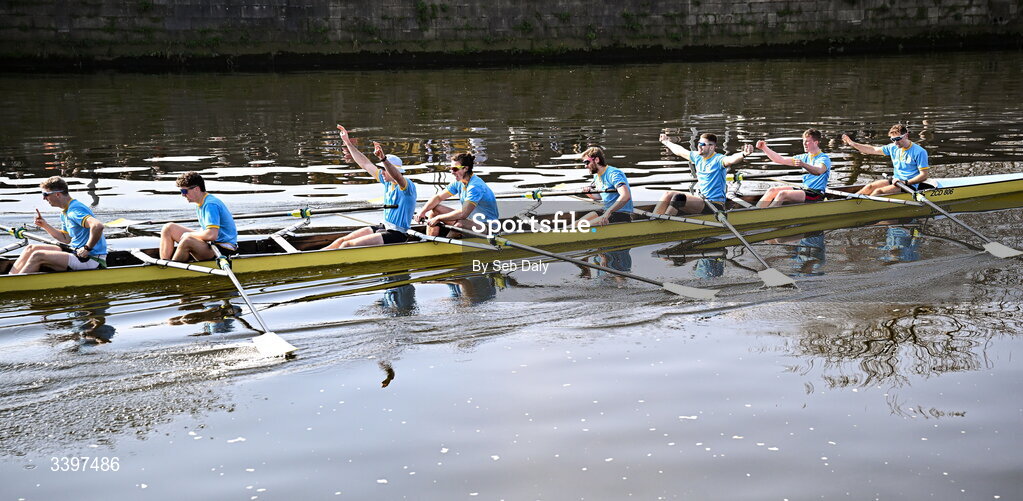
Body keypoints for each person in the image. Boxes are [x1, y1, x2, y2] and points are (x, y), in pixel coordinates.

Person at [325, 125, 417, 249]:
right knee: (341, 240)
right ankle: (312, 258)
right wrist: (347, 143)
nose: (382, 172)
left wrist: (383, 159)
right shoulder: (387, 182)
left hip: (397, 234)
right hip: (384, 226)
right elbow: (365, 163)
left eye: (384, 170)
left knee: (347, 245)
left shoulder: (406, 186)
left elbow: (397, 176)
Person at [9, 176, 108, 274]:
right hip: (75, 252)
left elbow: (98, 226)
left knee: (38, 255)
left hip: (91, 259)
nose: (44, 198)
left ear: (57, 194)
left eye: (45, 194)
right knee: (30, 249)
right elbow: (66, 239)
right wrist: (45, 225)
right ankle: (10, 278)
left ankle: (13, 285)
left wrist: (87, 248)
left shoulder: (74, 210)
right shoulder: (65, 212)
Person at [654, 133, 754, 215]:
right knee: (668, 194)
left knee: (679, 198)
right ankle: (654, 219)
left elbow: (731, 159)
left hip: (715, 205)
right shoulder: (697, 156)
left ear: (711, 147)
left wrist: (743, 154)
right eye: (699, 143)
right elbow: (679, 151)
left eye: (703, 144)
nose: (699, 146)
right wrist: (666, 141)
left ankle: (664, 225)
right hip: (701, 199)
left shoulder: (718, 160)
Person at [159, 171, 238, 262]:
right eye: (181, 191)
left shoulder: (210, 204)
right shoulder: (200, 202)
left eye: (184, 191)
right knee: (168, 228)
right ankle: (164, 263)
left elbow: (211, 235)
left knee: (187, 240)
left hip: (222, 250)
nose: (183, 195)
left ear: (196, 189)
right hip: (211, 244)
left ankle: (171, 272)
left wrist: (189, 235)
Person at [415, 152, 499, 237]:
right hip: (470, 221)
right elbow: (438, 198)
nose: (452, 172)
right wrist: (422, 212)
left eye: (455, 169)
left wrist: (439, 218)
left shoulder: (475, 187)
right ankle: (430, 242)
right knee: (435, 209)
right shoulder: (459, 182)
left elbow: (463, 213)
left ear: (466, 168)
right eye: (450, 169)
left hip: (487, 227)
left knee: (460, 225)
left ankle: (446, 247)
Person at [842, 124, 930, 196]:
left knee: (878, 192)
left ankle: (861, 209)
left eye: (898, 139)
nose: (895, 143)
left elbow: (924, 175)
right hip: (896, 180)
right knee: (869, 187)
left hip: (910, 185)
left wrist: (905, 182)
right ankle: (849, 202)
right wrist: (853, 144)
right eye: (893, 139)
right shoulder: (892, 147)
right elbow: (872, 150)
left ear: (906, 135)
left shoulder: (919, 152)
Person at [755, 129, 832, 207]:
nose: (804, 144)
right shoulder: (804, 157)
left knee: (783, 194)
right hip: (805, 190)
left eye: (807, 141)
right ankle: (755, 211)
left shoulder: (824, 158)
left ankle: (766, 215)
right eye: (803, 141)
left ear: (816, 143)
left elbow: (819, 171)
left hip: (816, 194)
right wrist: (764, 148)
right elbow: (780, 160)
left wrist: (804, 164)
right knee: (772, 191)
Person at [577, 146, 633, 226]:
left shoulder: (613, 174)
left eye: (587, 162)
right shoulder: (597, 176)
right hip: (607, 211)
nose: (585, 166)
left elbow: (626, 195)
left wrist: (608, 212)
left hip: (621, 214)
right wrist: (588, 193)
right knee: (576, 224)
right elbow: (600, 196)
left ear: (596, 160)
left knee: (582, 227)